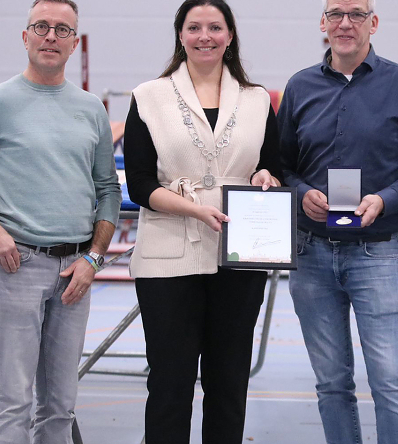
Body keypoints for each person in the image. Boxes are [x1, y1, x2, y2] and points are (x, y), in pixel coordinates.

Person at [0, 1, 121, 442]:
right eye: (41, 27)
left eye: (62, 29)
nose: (51, 36)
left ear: (75, 43)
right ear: (25, 37)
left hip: (75, 271)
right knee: (14, 399)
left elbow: (108, 191)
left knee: (59, 404)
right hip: (18, 264)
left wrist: (94, 259)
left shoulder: (91, 108)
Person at [277, 0, 398, 442]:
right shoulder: (299, 87)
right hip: (311, 254)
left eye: (356, 13)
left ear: (374, 23)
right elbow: (280, 167)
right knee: (331, 383)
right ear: (322, 23)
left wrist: (384, 200)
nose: (345, 23)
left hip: (377, 253)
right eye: (335, 14)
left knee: (390, 381)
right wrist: (300, 193)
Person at [122, 0, 282, 442]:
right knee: (170, 385)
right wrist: (192, 208)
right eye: (194, 27)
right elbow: (138, 184)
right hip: (167, 258)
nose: (205, 36)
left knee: (229, 383)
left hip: (239, 255)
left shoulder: (257, 99)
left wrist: (267, 176)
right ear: (180, 35)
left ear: (230, 36)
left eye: (215, 27)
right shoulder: (148, 96)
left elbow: (271, 164)